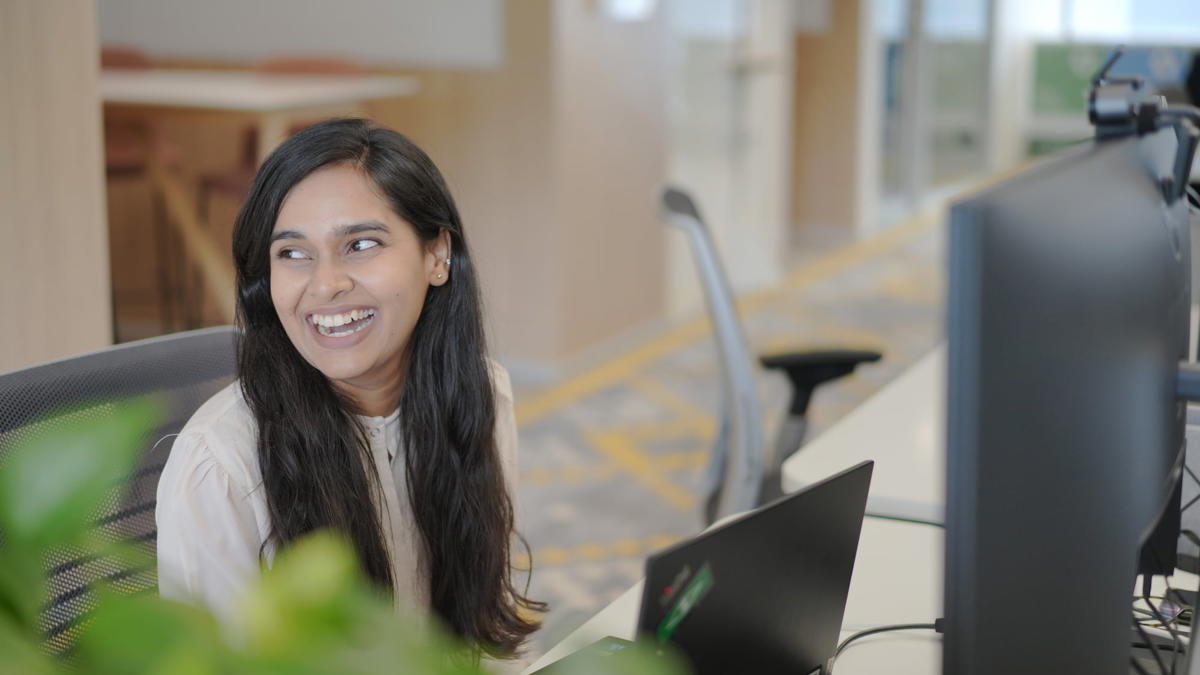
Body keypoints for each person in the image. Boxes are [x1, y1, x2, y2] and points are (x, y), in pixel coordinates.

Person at [155, 118, 543, 665]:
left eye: (360, 244)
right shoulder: (220, 467)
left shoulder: (480, 395)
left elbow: (484, 628)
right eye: (292, 254)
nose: (326, 283)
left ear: (437, 255)